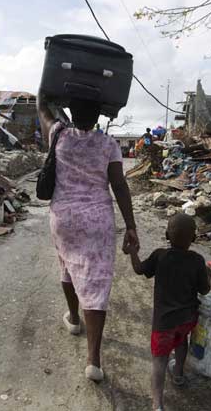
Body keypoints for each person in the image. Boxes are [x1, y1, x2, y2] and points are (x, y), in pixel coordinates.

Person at [37, 91, 139, 383]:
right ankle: (93, 360)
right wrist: (131, 226)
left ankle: (73, 319)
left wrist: (47, 86)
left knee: (67, 265)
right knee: (95, 285)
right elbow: (119, 186)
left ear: (71, 111)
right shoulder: (109, 145)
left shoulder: (59, 134)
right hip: (97, 220)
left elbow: (42, 106)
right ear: (98, 117)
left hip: (64, 218)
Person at [127, 214, 211, 411]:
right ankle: (179, 375)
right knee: (181, 343)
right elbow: (204, 290)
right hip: (187, 321)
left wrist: (132, 251)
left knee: (160, 359)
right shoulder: (197, 260)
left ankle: (157, 404)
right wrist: (208, 274)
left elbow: (139, 269)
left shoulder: (159, 256)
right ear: (193, 238)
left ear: (166, 234)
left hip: (164, 323)